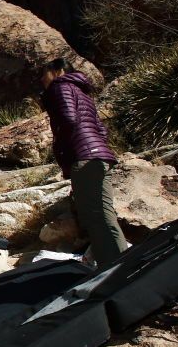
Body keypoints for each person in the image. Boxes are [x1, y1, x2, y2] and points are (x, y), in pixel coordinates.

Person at [39, 57, 128, 267]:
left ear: (58, 70)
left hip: (83, 157)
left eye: (44, 73)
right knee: (104, 214)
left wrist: (61, 147)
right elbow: (101, 129)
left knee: (97, 218)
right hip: (99, 155)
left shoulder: (60, 87)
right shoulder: (82, 91)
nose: (42, 79)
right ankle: (122, 265)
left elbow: (68, 119)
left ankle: (117, 270)